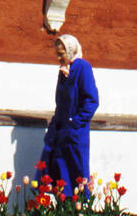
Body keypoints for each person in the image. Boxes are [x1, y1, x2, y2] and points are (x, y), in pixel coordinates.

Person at [41, 34, 99, 194]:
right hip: (61, 133)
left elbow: (92, 101)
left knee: (77, 176)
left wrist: (75, 123)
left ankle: (78, 215)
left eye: (61, 53)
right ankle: (63, 214)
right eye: (57, 54)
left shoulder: (82, 67)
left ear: (71, 50)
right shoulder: (64, 71)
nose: (59, 57)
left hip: (75, 134)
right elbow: (60, 103)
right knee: (59, 178)